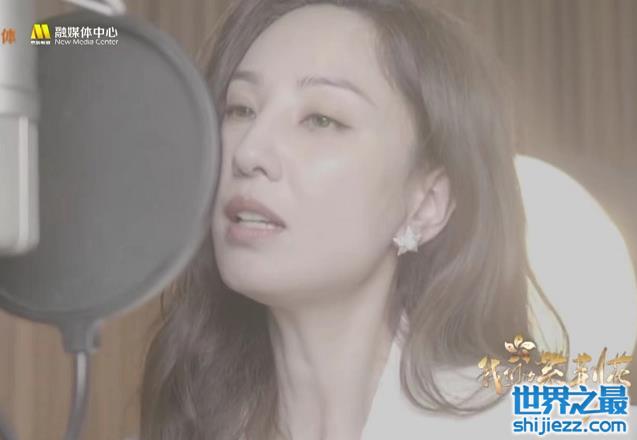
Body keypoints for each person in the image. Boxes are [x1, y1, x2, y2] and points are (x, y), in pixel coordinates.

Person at [139, 1, 636, 439]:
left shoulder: (547, 419)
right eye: (240, 109)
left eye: (322, 119)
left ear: (427, 203)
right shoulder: (188, 422)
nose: (249, 152)